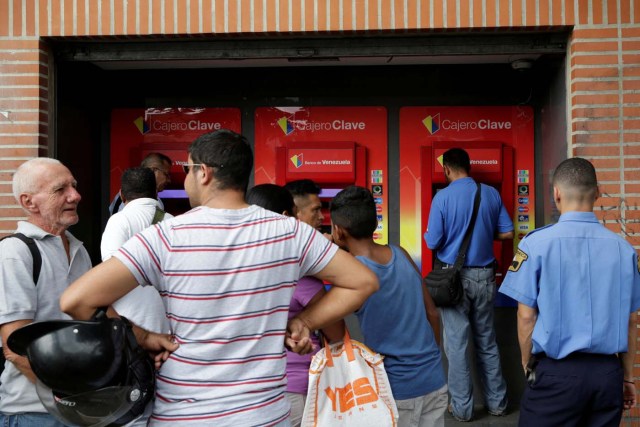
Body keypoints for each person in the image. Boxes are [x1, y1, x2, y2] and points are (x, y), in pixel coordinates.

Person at [60, 130, 378, 426]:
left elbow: (77, 300)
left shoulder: (165, 236)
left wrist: (141, 336)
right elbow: (362, 281)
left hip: (185, 416)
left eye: (187, 170)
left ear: (204, 172)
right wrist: (306, 321)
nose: (184, 179)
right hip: (265, 415)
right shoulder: (290, 232)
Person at [499, 157, 640, 426]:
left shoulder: (535, 244)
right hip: (607, 375)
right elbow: (631, 320)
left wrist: (529, 366)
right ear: (598, 193)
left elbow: (526, 317)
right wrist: (627, 377)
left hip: (555, 374)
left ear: (556, 193)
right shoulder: (623, 249)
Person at [331, 186, 447, 427]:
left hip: (397, 389)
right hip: (434, 380)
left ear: (339, 231)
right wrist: (430, 358)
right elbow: (432, 313)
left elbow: (328, 322)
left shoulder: (351, 273)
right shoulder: (401, 253)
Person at [0, 158, 92, 426]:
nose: (75, 195)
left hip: (76, 407)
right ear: (30, 203)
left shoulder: (78, 248)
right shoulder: (14, 253)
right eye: (59, 189)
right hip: (34, 413)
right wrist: (69, 393)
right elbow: (14, 348)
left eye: (73, 186)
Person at [424, 147, 512, 422]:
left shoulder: (442, 197)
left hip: (453, 281)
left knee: (457, 345)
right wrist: (485, 234)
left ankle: (462, 409)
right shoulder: (491, 193)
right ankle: (498, 403)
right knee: (487, 341)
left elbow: (432, 242)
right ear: (469, 167)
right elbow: (508, 232)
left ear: (447, 170)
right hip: (485, 277)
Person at [246, 183, 344, 427]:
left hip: (252, 384)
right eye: (315, 210)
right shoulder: (301, 275)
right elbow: (337, 333)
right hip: (295, 387)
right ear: (291, 216)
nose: (321, 217)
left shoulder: (247, 264)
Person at [101, 167, 173, 427]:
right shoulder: (173, 221)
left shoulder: (119, 221)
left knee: (131, 412)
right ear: (156, 192)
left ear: (121, 194)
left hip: (130, 334)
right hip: (168, 338)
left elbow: (109, 277)